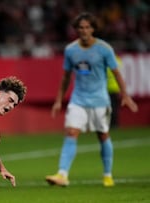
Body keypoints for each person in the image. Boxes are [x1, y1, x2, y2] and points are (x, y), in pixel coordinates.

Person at [45, 12, 138, 187]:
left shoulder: (104, 49)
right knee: (71, 132)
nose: (84, 30)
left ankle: (108, 174)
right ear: (76, 30)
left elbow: (116, 73)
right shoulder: (71, 50)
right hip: (78, 100)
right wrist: (58, 100)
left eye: (88, 27)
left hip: (100, 101)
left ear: (93, 29)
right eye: (81, 27)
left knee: (103, 136)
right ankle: (62, 174)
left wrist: (125, 95)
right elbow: (66, 77)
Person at [107, 56, 123, 128]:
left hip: (107, 88)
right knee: (114, 107)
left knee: (110, 108)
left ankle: (111, 124)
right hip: (115, 88)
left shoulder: (104, 60)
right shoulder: (118, 60)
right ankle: (114, 124)